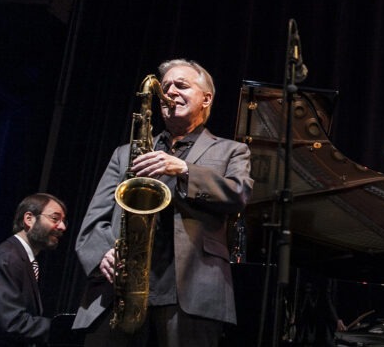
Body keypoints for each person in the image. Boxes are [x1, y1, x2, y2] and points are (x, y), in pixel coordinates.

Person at [72, 59, 253, 346]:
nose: (170, 93)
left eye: (181, 86)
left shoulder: (232, 150)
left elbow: (239, 194)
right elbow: (95, 219)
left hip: (191, 295)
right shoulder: (125, 154)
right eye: (165, 88)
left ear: (206, 99)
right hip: (119, 288)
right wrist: (103, 254)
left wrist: (184, 170)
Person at [0, 193, 68, 346]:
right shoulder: (5, 258)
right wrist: (62, 329)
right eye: (55, 218)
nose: (63, 227)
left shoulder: (20, 259)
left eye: (63, 221)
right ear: (29, 219)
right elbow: (12, 322)